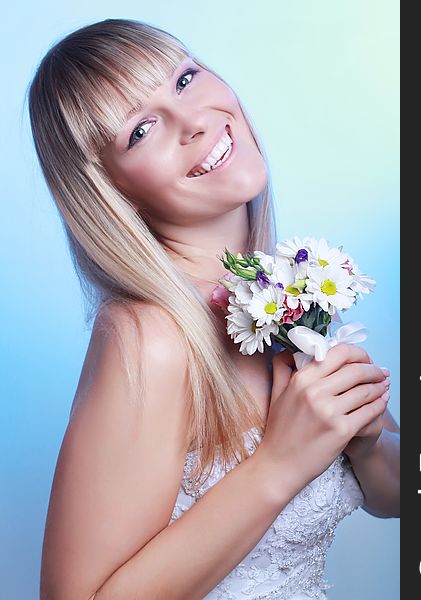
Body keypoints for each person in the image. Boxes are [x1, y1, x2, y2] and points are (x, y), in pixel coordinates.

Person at [28, 18, 400, 600]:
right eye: (142, 129)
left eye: (183, 79)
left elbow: (400, 496)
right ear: (109, 189)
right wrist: (279, 465)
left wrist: (365, 441)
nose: (195, 121)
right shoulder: (147, 336)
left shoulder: (286, 292)